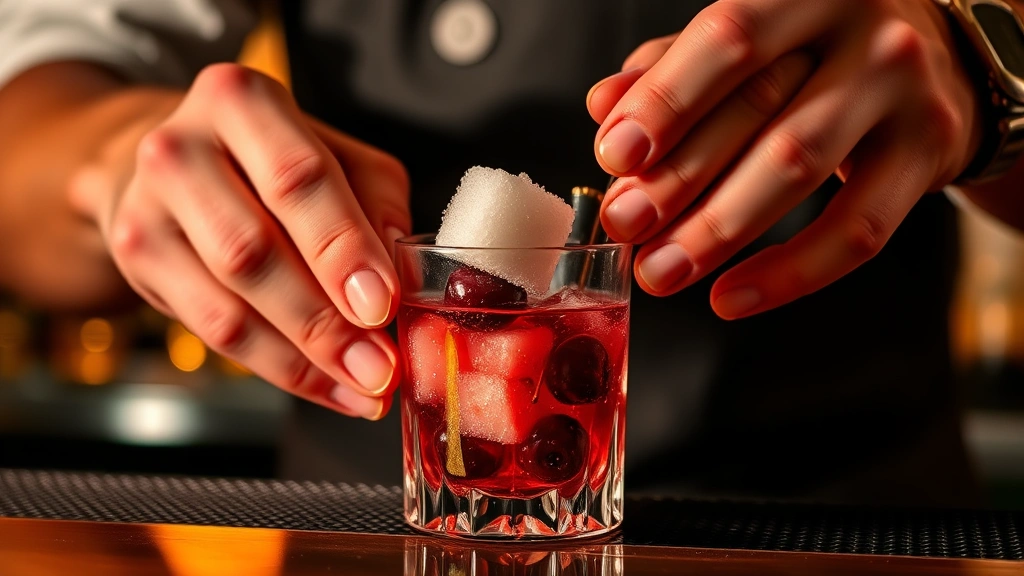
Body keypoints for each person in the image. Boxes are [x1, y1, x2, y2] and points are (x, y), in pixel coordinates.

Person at [1, 0, 1022, 506]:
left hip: (847, 529)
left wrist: (986, 76)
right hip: (379, 528)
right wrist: (113, 161)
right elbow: (34, 110)